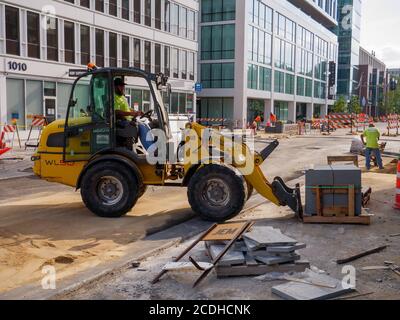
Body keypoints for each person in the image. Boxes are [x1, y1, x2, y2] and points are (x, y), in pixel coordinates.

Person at [114, 78, 143, 150]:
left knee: (144, 124)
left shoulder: (122, 97)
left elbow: (127, 108)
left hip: (127, 120)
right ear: (115, 87)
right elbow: (116, 111)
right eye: (121, 86)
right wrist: (131, 113)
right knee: (139, 126)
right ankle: (151, 149)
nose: (123, 88)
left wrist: (137, 112)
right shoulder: (114, 97)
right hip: (121, 121)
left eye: (123, 86)